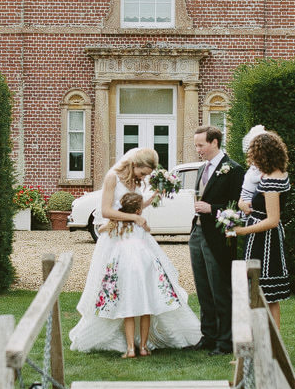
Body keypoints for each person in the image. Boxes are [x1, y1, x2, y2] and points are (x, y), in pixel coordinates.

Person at [70, 148, 200, 357]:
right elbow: (106, 211)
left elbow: (136, 206)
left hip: (138, 239)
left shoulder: (137, 182)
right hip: (117, 241)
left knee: (148, 285)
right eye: (143, 172)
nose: (144, 177)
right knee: (120, 289)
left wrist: (155, 195)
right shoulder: (112, 178)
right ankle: (124, 341)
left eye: (148, 174)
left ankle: (143, 343)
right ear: (134, 165)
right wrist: (135, 219)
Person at [187, 125, 246, 355]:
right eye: (196, 145)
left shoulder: (233, 170)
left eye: (201, 145)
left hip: (219, 238)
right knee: (203, 288)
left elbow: (238, 207)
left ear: (214, 143)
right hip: (198, 234)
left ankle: (225, 341)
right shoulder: (202, 169)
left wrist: (212, 208)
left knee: (220, 289)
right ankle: (208, 336)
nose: (198, 149)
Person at [228, 130, 290, 326]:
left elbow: (272, 219)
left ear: (263, 154)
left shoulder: (272, 181)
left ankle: (267, 346)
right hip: (262, 236)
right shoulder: (274, 174)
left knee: (262, 293)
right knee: (265, 295)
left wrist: (241, 231)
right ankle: (269, 345)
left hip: (265, 240)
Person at [238, 124, 268, 214]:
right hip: (246, 194)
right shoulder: (253, 168)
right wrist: (241, 204)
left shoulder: (268, 170)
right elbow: (241, 201)